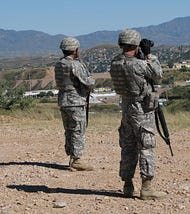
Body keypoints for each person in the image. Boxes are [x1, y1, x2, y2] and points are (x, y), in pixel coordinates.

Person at [109, 29, 166, 200]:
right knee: (146, 146)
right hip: (142, 109)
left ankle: (127, 185)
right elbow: (157, 74)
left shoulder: (114, 63)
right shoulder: (140, 64)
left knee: (128, 147)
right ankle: (146, 188)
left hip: (126, 107)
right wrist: (149, 55)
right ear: (135, 44)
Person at [55, 37, 95, 171]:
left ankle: (72, 157)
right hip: (75, 101)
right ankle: (77, 160)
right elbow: (88, 82)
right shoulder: (75, 65)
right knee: (78, 130)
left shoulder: (59, 64)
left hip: (64, 100)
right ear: (75, 50)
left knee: (69, 130)